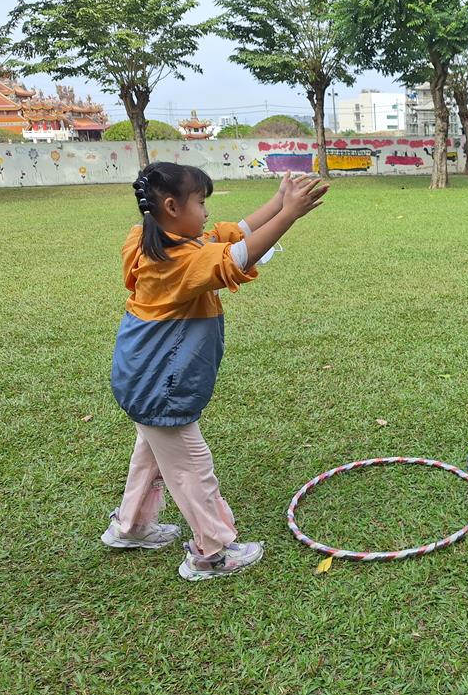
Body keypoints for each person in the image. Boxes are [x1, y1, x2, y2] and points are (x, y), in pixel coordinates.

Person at [100, 162, 328, 580]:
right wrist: (290, 215)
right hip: (160, 385)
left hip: (139, 379)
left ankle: (130, 527)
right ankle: (212, 553)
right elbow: (236, 257)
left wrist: (278, 202)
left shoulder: (150, 239)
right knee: (191, 467)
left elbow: (232, 234)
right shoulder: (175, 262)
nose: (206, 212)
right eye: (200, 203)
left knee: (151, 454)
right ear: (172, 207)